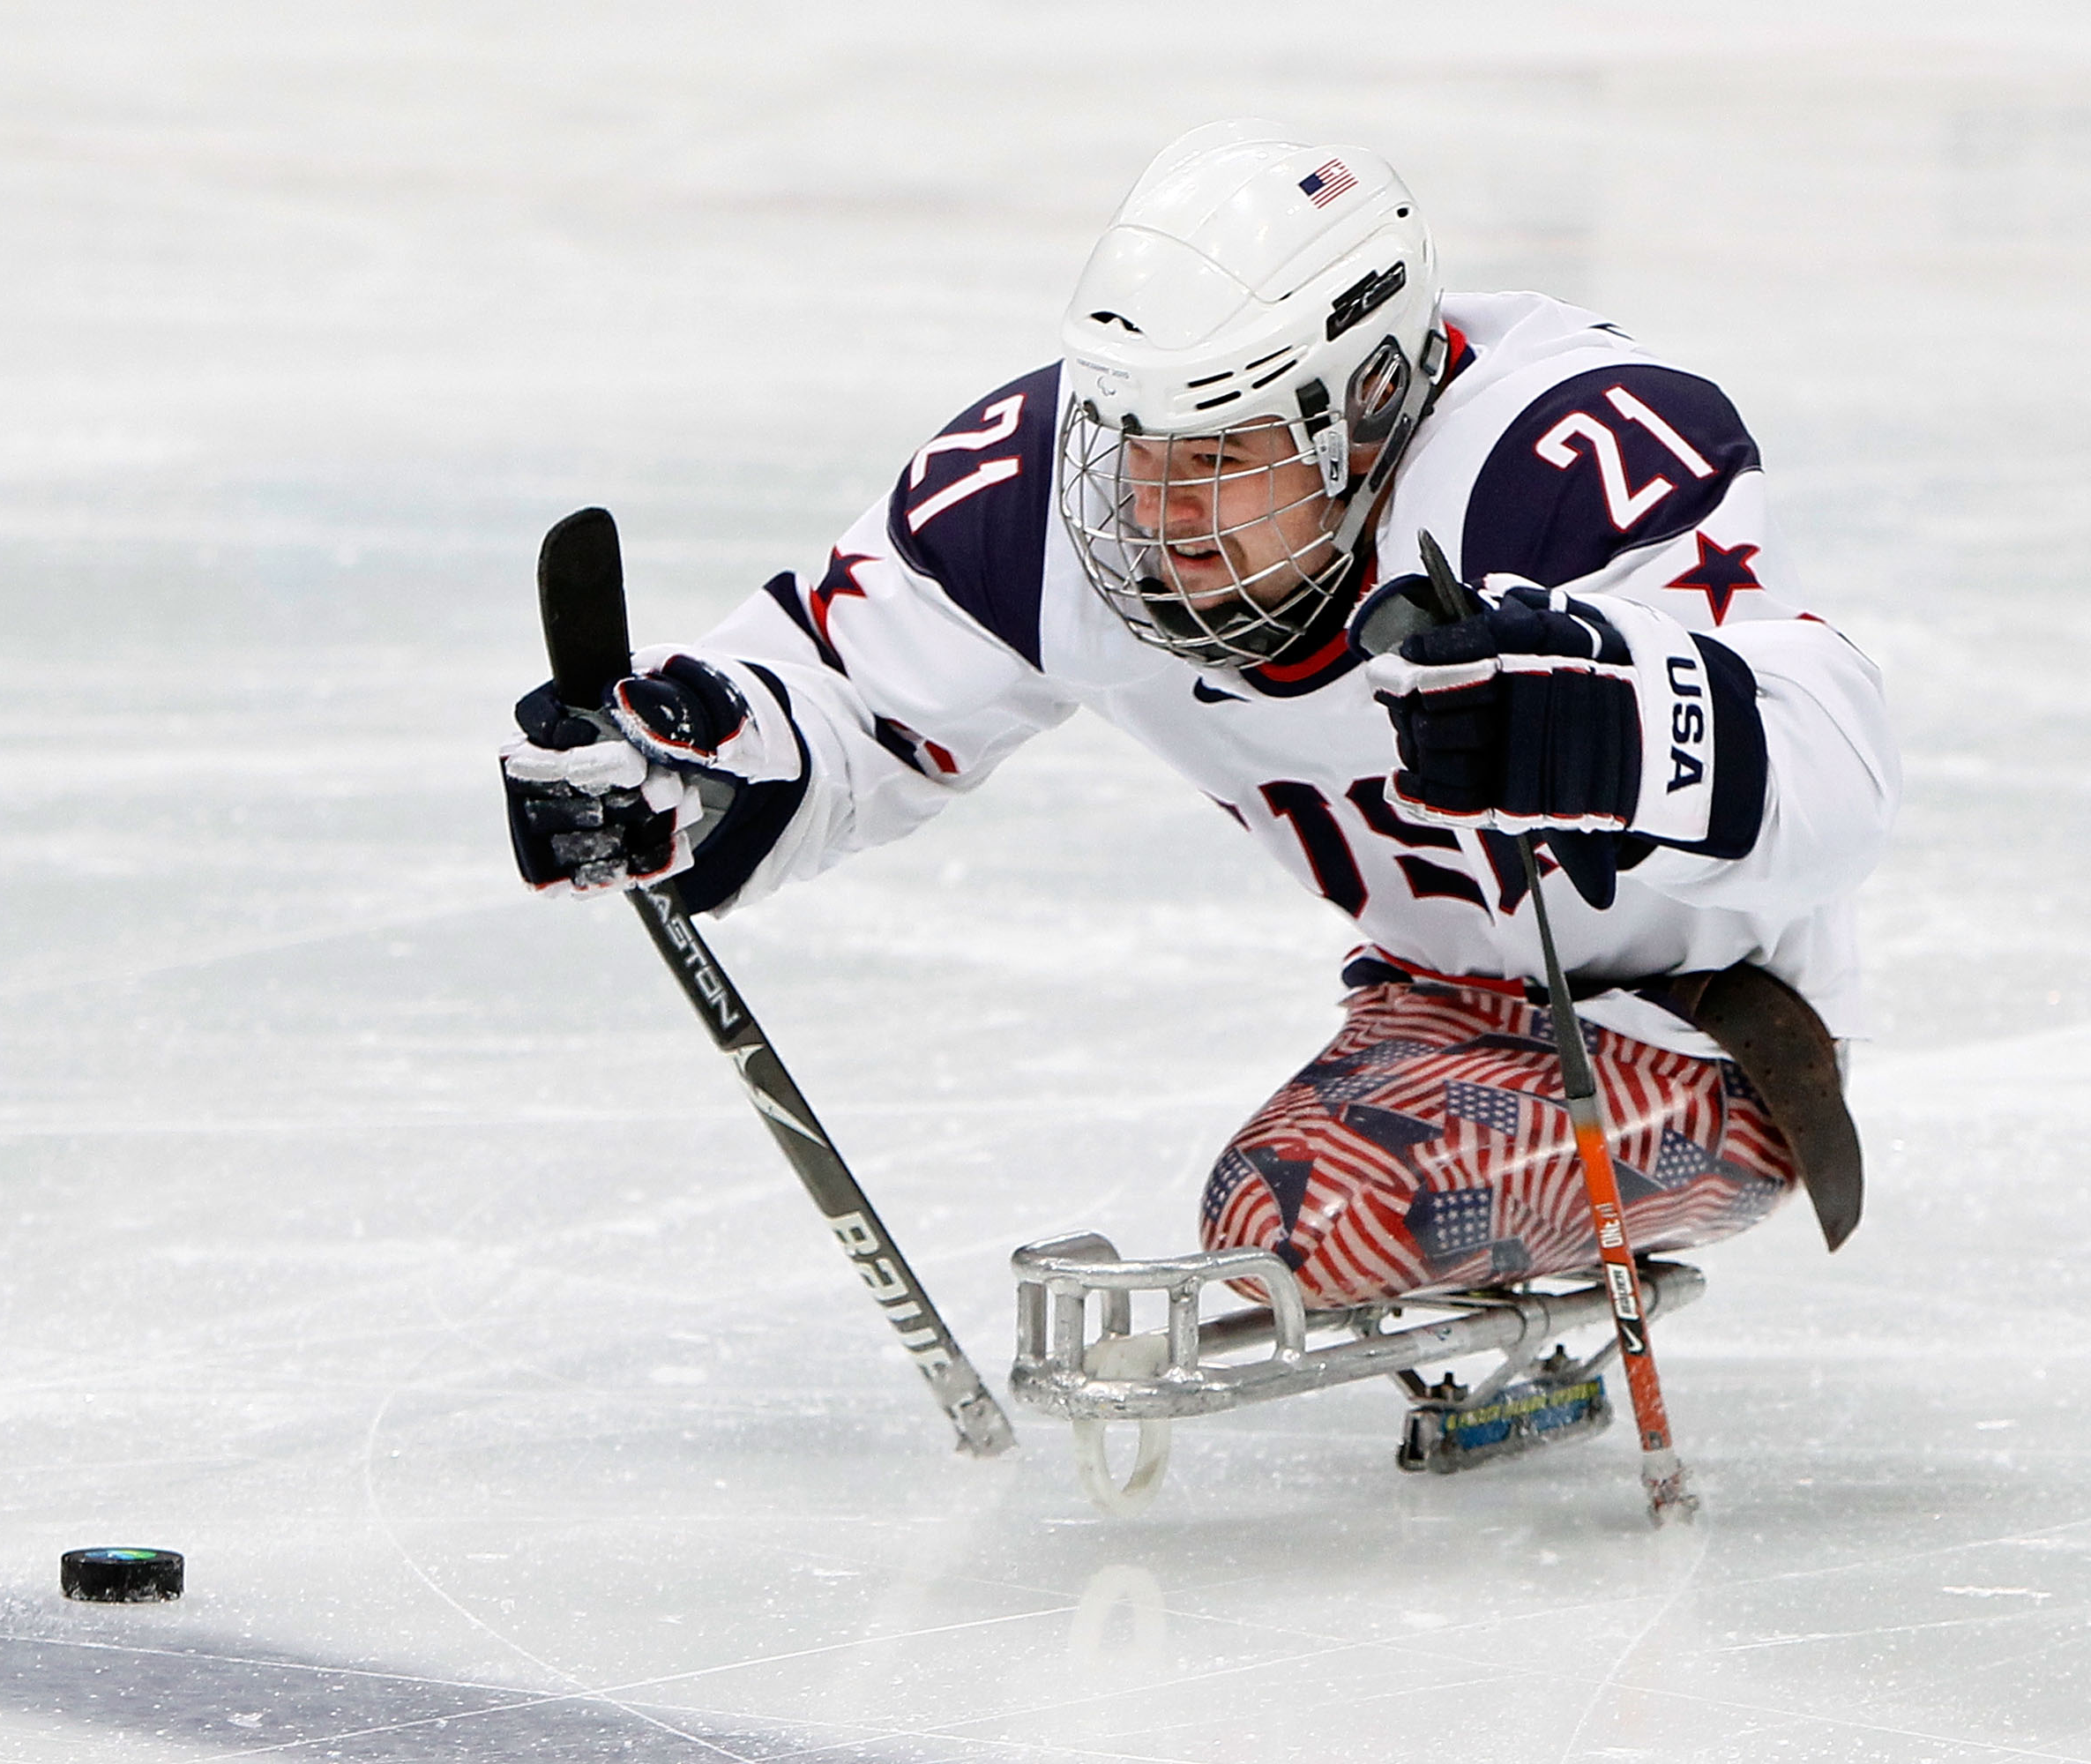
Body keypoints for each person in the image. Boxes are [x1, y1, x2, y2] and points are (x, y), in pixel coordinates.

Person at [502, 120, 1898, 1305]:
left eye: (1222, 454)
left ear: (1368, 409)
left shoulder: (1557, 461)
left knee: (1293, 1217)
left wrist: (1610, 721)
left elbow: (1838, 764)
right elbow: (839, 692)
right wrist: (679, 765)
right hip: (1429, 1007)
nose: (1155, 517)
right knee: (1288, 1218)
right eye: (1136, 450)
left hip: (1708, 1037)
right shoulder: (1053, 496)